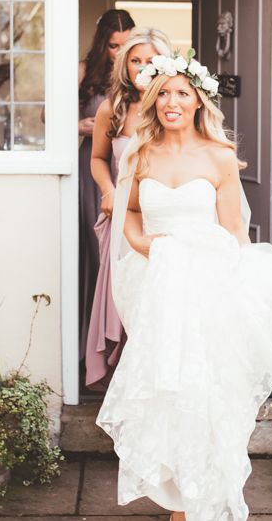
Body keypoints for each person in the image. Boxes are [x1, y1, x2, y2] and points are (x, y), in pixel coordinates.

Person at [96, 52, 272, 521]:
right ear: (152, 100)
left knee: (208, 395)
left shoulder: (219, 157)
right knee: (168, 396)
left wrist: (244, 296)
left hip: (208, 293)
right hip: (158, 291)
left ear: (199, 101)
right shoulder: (139, 154)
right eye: (164, 94)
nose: (172, 102)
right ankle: (181, 501)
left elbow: (234, 234)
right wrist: (144, 245)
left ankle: (200, 502)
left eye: (182, 93)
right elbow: (130, 212)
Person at [85, 27, 173, 391]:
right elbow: (97, 159)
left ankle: (154, 379)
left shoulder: (173, 105)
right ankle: (122, 382)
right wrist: (107, 189)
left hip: (162, 217)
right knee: (122, 298)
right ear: (123, 64)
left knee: (159, 300)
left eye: (150, 61)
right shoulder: (113, 108)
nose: (141, 67)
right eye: (134, 60)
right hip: (121, 216)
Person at [78, 9, 134, 364]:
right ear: (103, 44)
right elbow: (46, 116)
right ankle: (97, 348)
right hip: (95, 168)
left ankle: (122, 348)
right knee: (98, 252)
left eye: (126, 45)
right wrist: (82, 126)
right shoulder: (85, 71)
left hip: (130, 166)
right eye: (114, 46)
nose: (120, 53)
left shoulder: (139, 77)